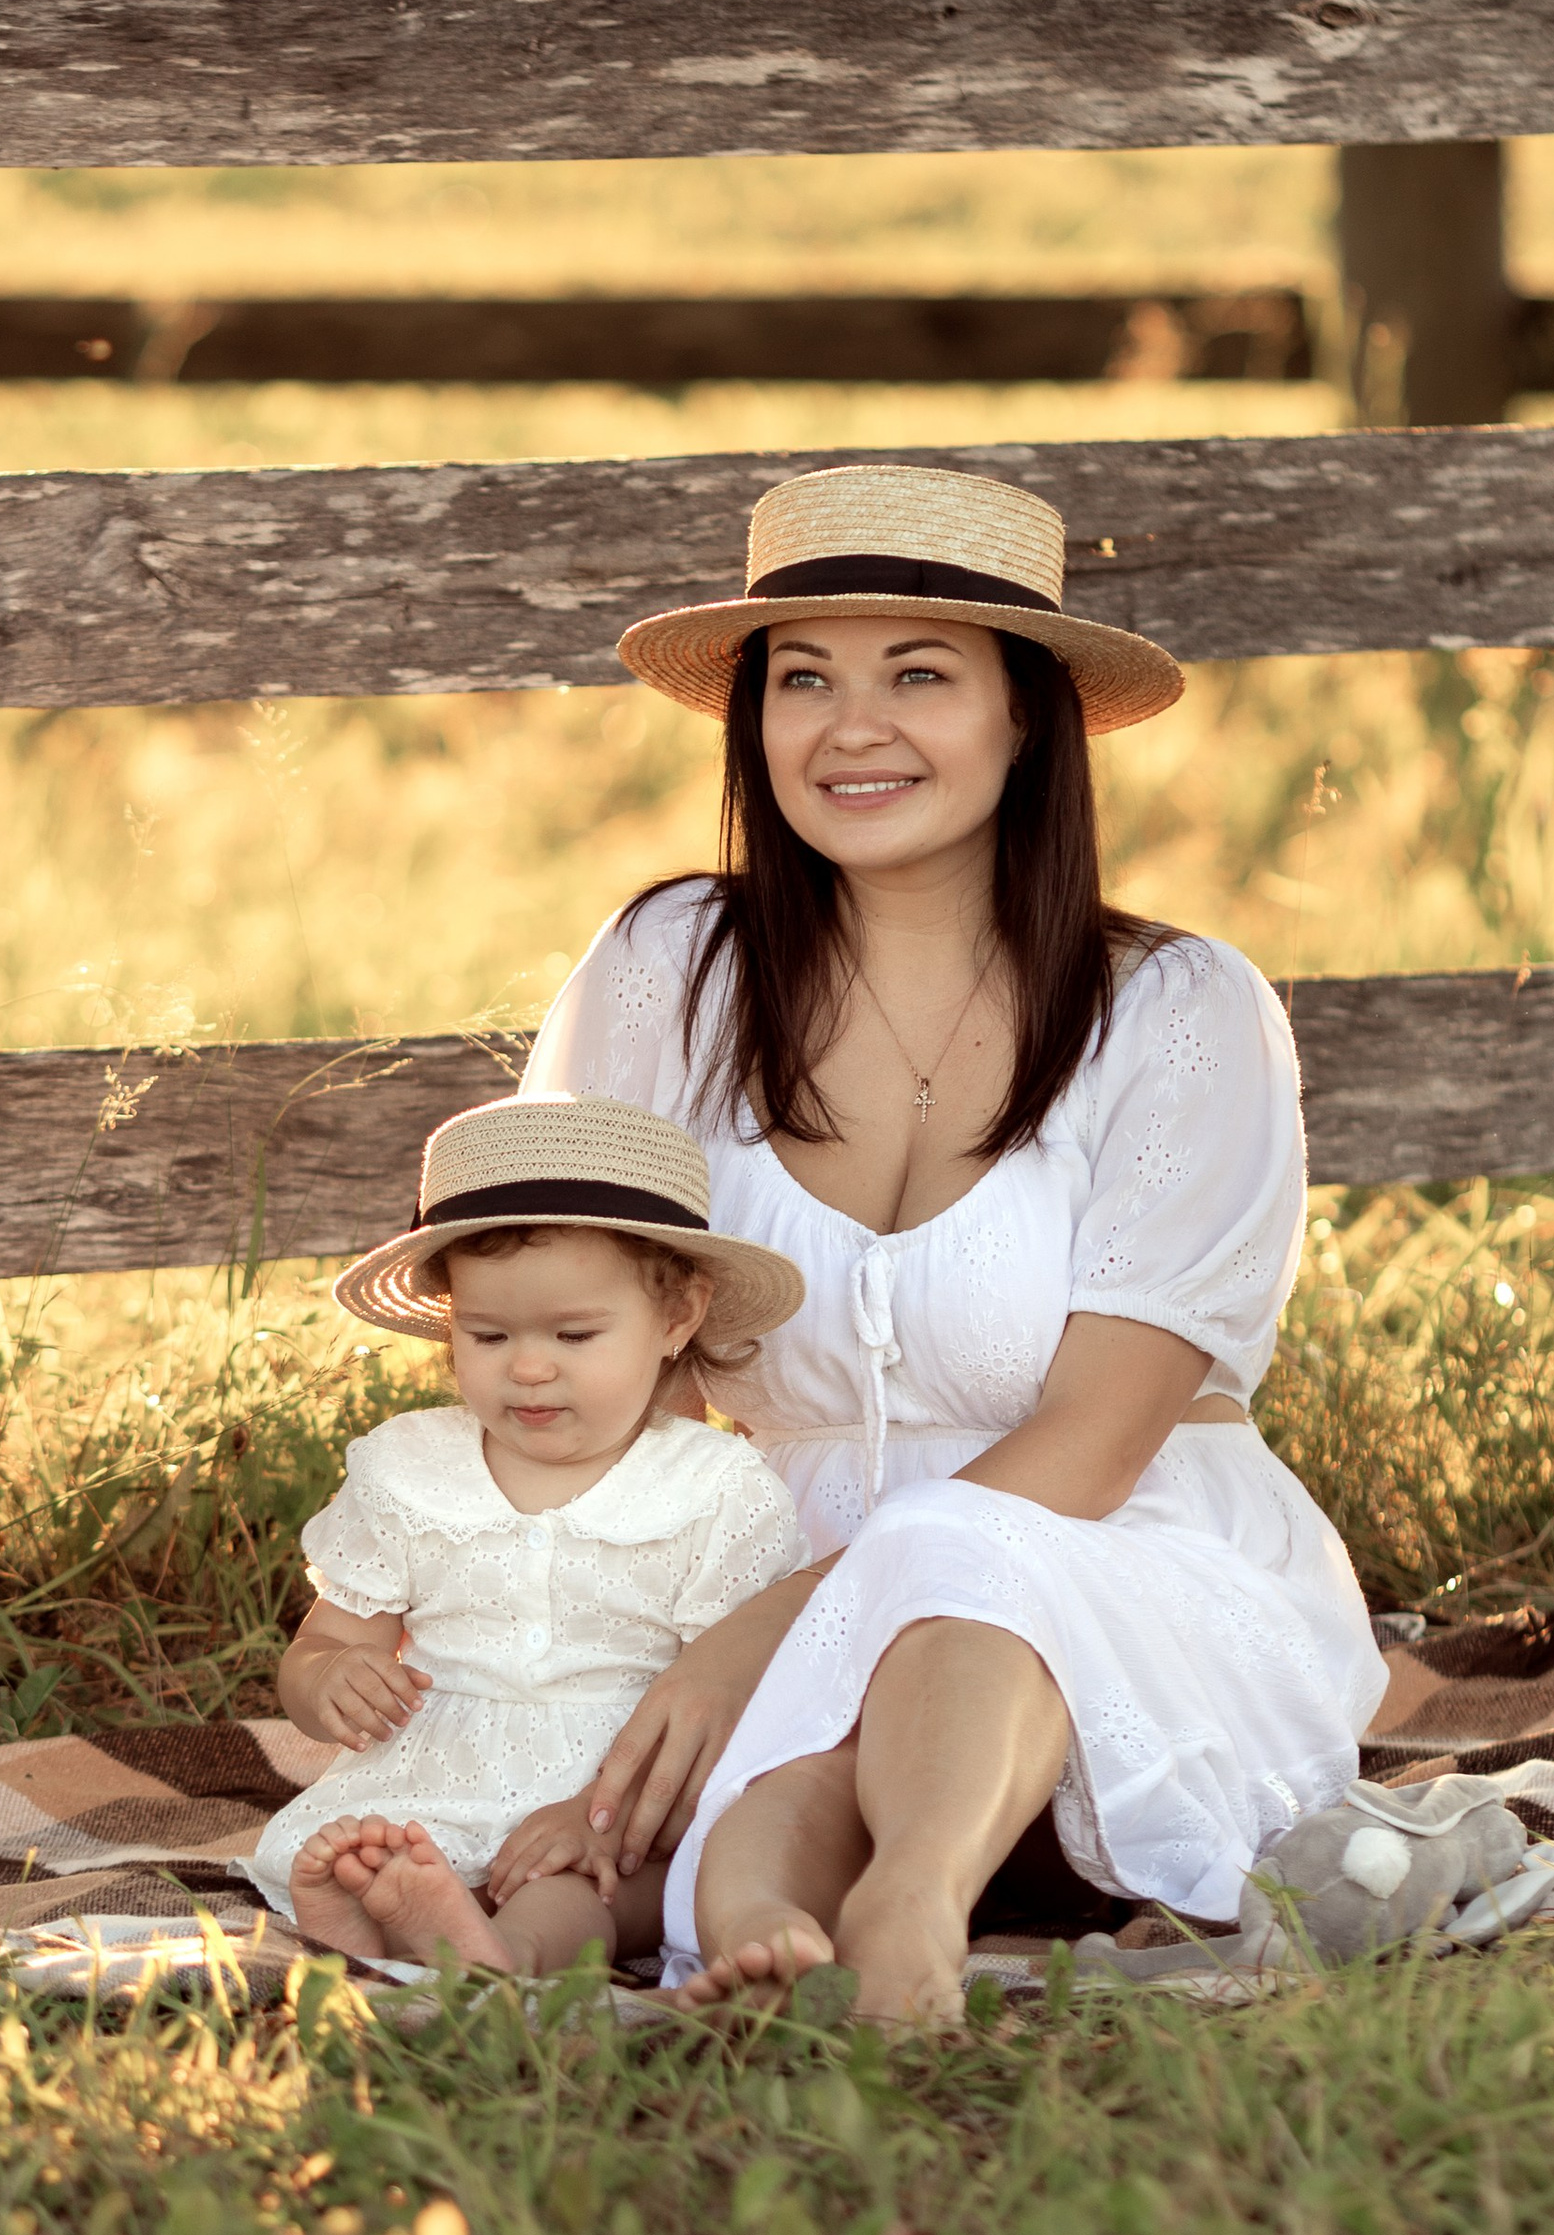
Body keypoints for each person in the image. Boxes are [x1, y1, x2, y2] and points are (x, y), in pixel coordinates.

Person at [510, 459, 1387, 2022]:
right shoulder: (669, 972)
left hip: (1110, 1561)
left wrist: (752, 1645)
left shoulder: (1179, 1017)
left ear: (1026, 715)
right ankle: (732, 1916)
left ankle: (909, 1907)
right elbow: (571, 1325)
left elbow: (1098, 1444)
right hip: (760, 1552)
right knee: (572, 1840)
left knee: (963, 1570)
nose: (853, 728)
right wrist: (589, 1624)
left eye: (920, 675)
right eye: (805, 679)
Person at [245, 1089, 809, 1977]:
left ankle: (500, 1952)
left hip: (620, 1798)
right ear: (451, 1322)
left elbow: (734, 1710)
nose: (530, 1366)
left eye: (576, 1334)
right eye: (489, 1332)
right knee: (372, 1848)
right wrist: (331, 1681)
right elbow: (323, 1645)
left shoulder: (713, 1491)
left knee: (600, 1886)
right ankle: (397, 1912)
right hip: (433, 1774)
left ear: (677, 1319)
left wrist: (597, 1814)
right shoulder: (408, 1470)